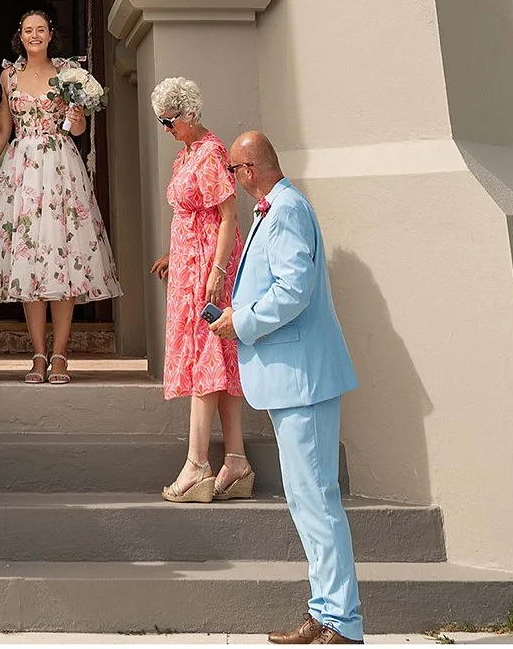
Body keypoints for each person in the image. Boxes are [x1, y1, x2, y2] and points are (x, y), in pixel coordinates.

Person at [208, 130, 362, 646]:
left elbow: (294, 289)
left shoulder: (288, 209)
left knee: (316, 499)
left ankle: (341, 622)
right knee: (304, 500)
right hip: (291, 379)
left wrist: (241, 321)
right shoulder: (275, 209)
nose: (231, 177)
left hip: (304, 379)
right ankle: (324, 614)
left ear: (248, 170)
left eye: (233, 169)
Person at [0, 2, 121, 382]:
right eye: (28, 30)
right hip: (21, 172)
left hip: (59, 168)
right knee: (28, 263)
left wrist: (75, 119)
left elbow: (79, 129)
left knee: (64, 259)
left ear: (51, 34)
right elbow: (3, 130)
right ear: (19, 37)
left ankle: (59, 355)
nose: (34, 35)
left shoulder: (69, 74)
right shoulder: (10, 77)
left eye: (41, 29)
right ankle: (37, 354)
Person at [149, 75, 252, 502]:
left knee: (206, 357)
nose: (165, 129)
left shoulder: (211, 154)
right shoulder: (187, 153)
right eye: (161, 122)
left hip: (208, 271)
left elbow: (228, 216)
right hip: (191, 266)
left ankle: (196, 465)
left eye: (168, 121)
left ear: (187, 115)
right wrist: (175, 254)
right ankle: (237, 460)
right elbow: (192, 217)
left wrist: (216, 271)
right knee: (219, 360)